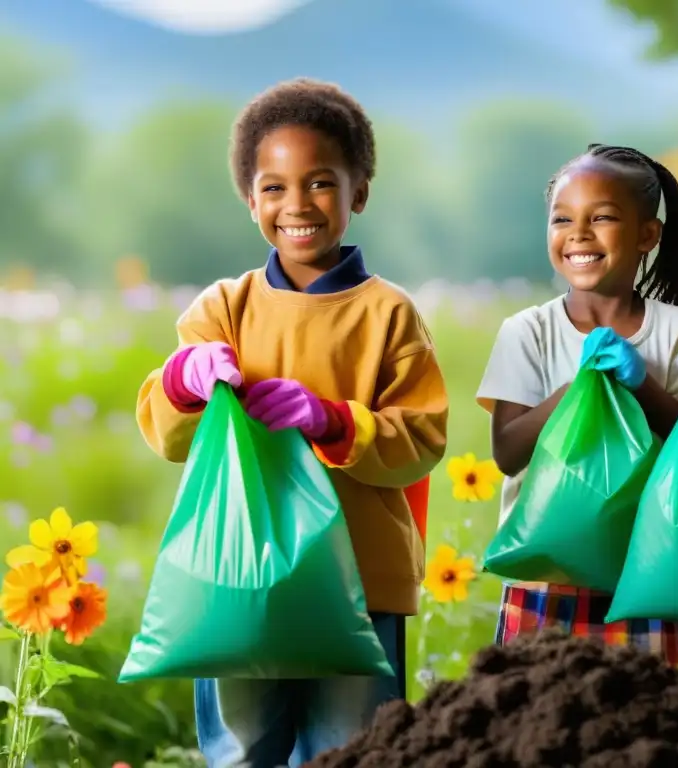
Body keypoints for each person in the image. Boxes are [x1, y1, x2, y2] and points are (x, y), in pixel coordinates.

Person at [135, 78, 449, 768]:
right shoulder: (223, 308)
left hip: (359, 583)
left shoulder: (387, 314)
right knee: (242, 750)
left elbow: (421, 441)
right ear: (250, 201)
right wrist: (185, 382)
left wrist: (332, 421)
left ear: (358, 191)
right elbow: (166, 433)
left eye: (320, 183)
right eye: (273, 187)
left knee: (352, 749)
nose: (296, 205)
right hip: (238, 578)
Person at [476, 143, 678, 680]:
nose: (578, 233)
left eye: (602, 217)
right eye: (563, 219)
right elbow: (508, 452)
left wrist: (641, 384)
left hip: (647, 576)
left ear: (647, 235)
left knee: (652, 732)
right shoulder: (528, 332)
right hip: (543, 579)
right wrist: (579, 386)